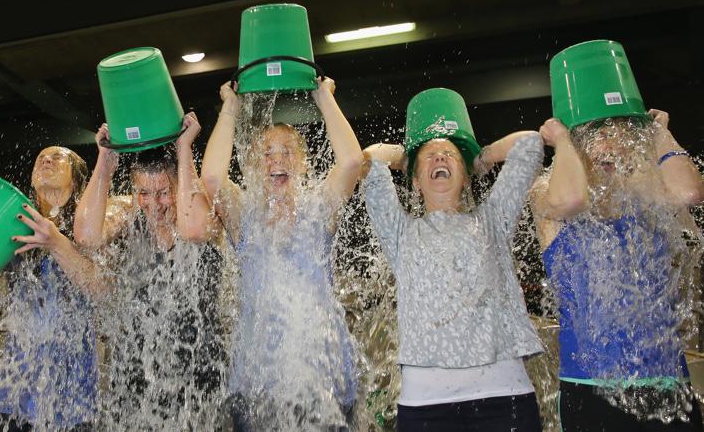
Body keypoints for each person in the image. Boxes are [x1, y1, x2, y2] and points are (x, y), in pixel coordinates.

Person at [363, 87, 555, 432]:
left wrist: (480, 157)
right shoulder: (400, 233)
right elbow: (371, 158)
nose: (440, 159)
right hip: (425, 404)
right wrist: (407, 157)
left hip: (504, 394)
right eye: (430, 157)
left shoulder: (493, 221)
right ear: (416, 182)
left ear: (466, 175)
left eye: (450, 155)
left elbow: (530, 144)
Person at [196, 78, 362, 430]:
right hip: (257, 385)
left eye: (287, 150)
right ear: (253, 167)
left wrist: (324, 99)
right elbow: (210, 177)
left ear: (302, 162)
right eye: (266, 153)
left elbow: (350, 163)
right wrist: (230, 107)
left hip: (324, 383)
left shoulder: (320, 207)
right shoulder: (245, 214)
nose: (277, 159)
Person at [531, 111, 704, 431]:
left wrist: (659, 134)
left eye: (620, 134)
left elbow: (690, 192)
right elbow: (570, 199)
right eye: (598, 134)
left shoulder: (646, 193)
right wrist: (563, 141)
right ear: (579, 141)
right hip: (588, 386)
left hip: (666, 380)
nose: (610, 143)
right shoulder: (545, 190)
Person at [73, 113, 226, 429]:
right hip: (137, 374)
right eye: (143, 192)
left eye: (163, 192)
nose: (153, 203)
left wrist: (184, 149)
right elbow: (86, 237)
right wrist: (104, 160)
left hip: (200, 373)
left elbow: (194, 228)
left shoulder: (205, 212)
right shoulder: (128, 218)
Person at [0, 146, 101, 431]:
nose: (46, 160)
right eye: (40, 159)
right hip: (12, 395)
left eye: (58, 158)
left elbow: (100, 288)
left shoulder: (92, 228)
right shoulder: (12, 227)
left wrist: (56, 242)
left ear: (76, 182)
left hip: (72, 400)